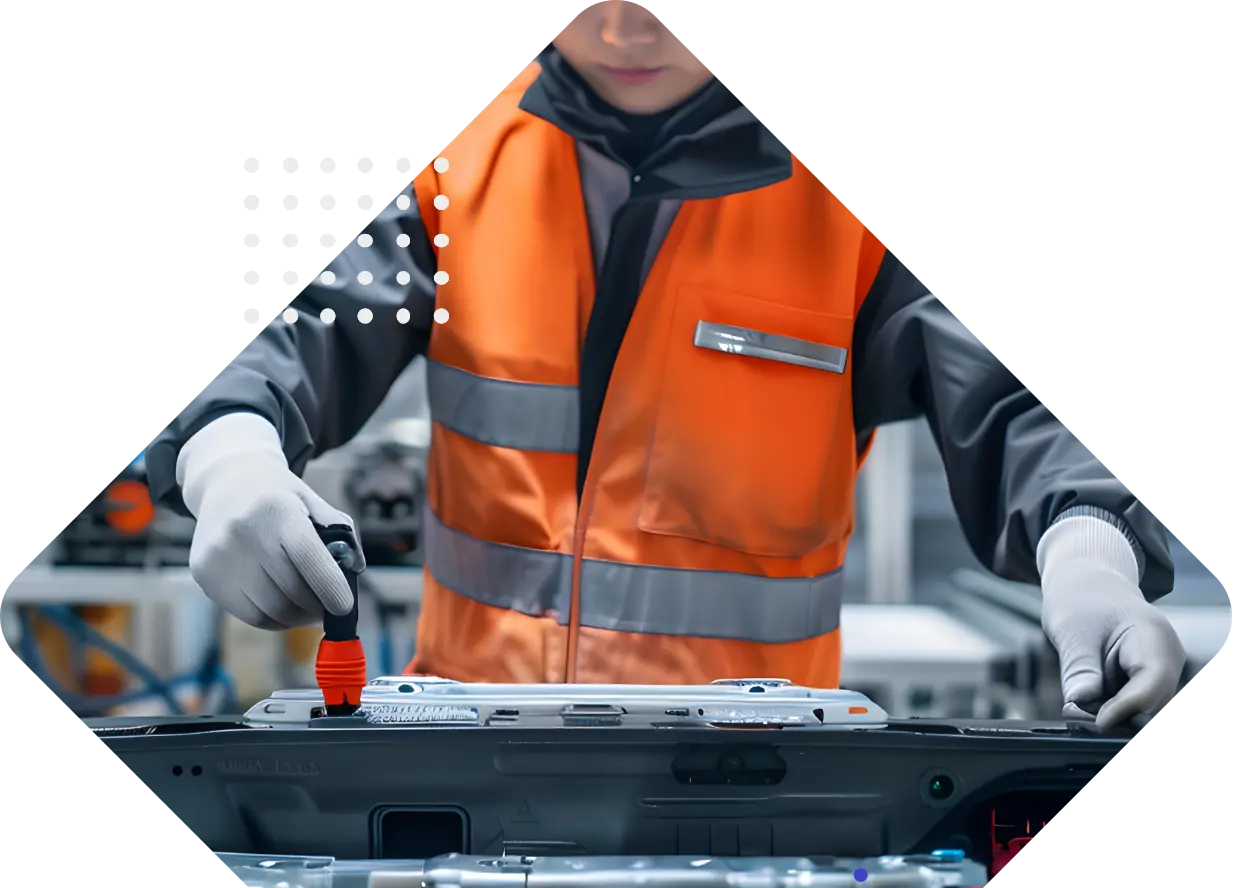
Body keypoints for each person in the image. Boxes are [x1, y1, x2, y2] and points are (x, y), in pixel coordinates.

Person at [145, 0, 1186, 730]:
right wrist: (228, 456)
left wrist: (1089, 549)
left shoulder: (846, 224)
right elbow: (286, 335)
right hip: (465, 758)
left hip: (757, 784)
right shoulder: (454, 164)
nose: (623, 26)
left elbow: (1019, 418)